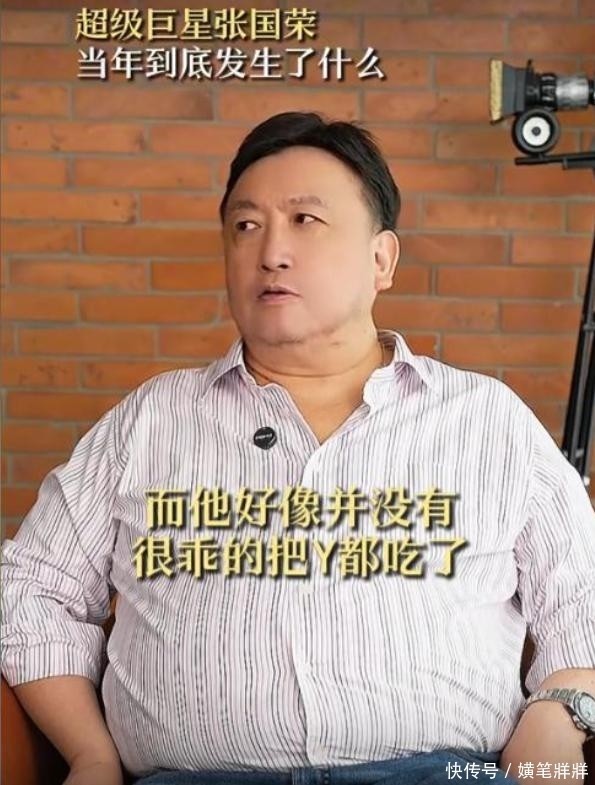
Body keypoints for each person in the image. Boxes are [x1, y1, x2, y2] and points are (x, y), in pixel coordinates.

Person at [2, 112, 594, 785]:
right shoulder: (151, 420)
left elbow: (580, 593)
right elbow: (32, 587)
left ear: (381, 259)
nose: (270, 251)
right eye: (245, 226)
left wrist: (561, 708)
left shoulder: (485, 419)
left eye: (305, 220)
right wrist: (91, 752)